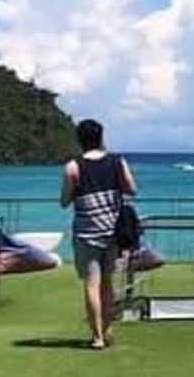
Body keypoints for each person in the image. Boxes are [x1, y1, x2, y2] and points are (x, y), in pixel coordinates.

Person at [59, 119, 137, 350]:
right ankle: (108, 329)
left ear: (79, 140)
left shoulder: (73, 167)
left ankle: (97, 337)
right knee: (107, 284)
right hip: (112, 232)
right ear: (101, 137)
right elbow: (132, 189)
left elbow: (64, 201)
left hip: (86, 233)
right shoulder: (117, 162)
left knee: (91, 284)